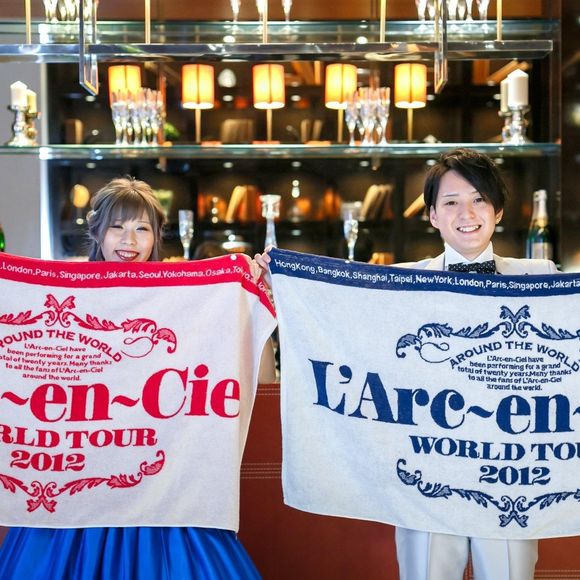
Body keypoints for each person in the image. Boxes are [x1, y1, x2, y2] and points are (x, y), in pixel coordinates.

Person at [253, 148, 558, 580]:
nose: (467, 213)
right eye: (451, 202)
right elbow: (340, 313)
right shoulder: (401, 281)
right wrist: (284, 281)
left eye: (479, 199)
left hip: (508, 467)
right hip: (426, 465)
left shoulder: (542, 276)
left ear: (498, 210)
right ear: (432, 215)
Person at [0, 177, 263, 579]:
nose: (129, 239)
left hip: (162, 470)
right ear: (97, 233)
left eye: (142, 228)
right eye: (117, 227)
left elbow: (238, 347)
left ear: (156, 237)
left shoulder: (185, 295)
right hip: (82, 464)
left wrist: (254, 286)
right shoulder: (66, 292)